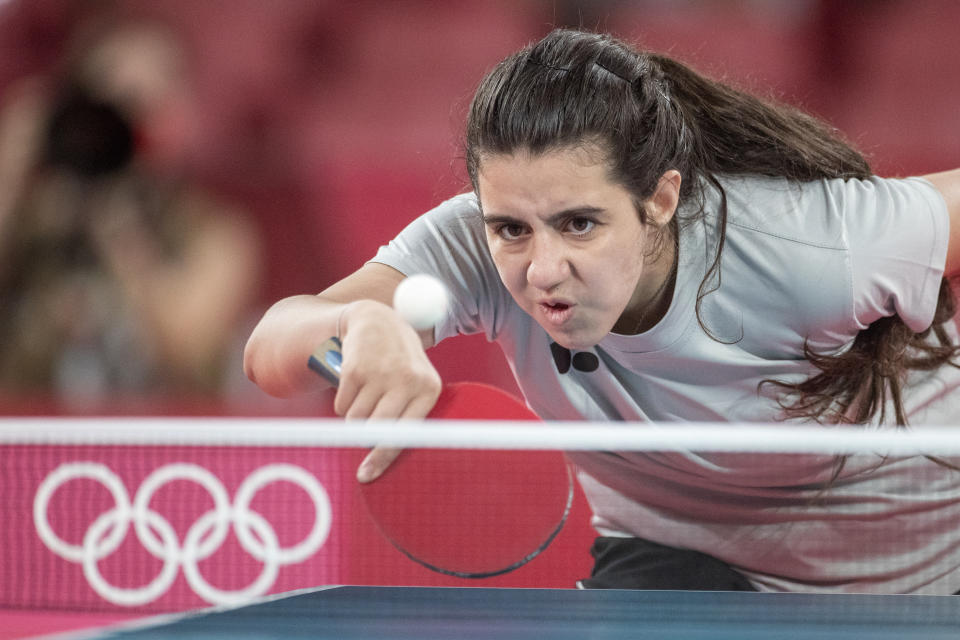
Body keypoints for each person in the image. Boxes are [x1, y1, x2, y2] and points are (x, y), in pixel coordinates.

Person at [244, 29, 960, 594]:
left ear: (660, 199)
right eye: (511, 229)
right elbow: (270, 353)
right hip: (680, 551)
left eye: (580, 223)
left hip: (919, 543)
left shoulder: (805, 244)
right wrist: (353, 327)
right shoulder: (473, 246)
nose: (543, 270)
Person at [0, 18, 262, 406]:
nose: (128, 123)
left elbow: (187, 352)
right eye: (112, 104)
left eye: (147, 102)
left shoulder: (213, 233)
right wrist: (11, 169)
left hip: (153, 457)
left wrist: (120, 231)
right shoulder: (32, 220)